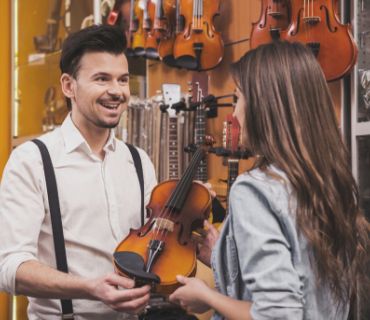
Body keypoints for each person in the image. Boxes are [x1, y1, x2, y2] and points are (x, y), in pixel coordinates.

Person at [169, 41, 370, 320]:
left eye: (238, 98)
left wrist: (206, 296)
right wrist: (223, 255)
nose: (235, 114)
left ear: (267, 106)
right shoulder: (333, 183)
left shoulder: (254, 190)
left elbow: (277, 314)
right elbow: (305, 277)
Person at [0, 25, 157, 319]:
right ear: (68, 86)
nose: (117, 91)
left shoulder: (139, 162)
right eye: (101, 79)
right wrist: (89, 287)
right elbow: (10, 268)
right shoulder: (31, 161)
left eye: (123, 80)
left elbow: (155, 248)